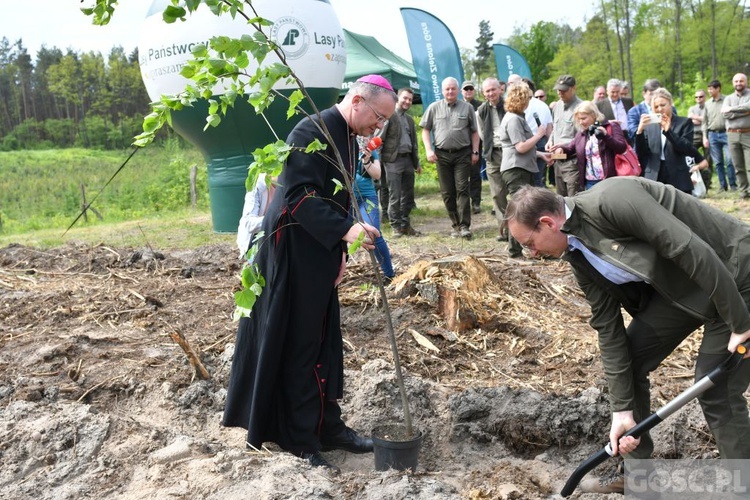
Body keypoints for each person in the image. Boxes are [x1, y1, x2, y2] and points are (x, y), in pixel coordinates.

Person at [505, 177, 750, 493]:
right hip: (686, 290)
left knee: (716, 387)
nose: (532, 254)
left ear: (547, 223)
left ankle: (743, 488)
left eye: (529, 243)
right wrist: (622, 411)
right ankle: (641, 482)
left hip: (736, 273)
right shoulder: (577, 254)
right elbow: (609, 330)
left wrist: (740, 324)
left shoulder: (614, 199)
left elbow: (690, 249)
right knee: (628, 366)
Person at [222, 75, 397, 472]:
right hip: (292, 254)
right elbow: (298, 197)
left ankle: (328, 426)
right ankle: (301, 439)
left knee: (322, 342)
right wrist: (346, 231)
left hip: (318, 252)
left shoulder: (346, 137)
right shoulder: (310, 130)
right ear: (357, 101)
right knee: (300, 345)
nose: (379, 126)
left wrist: (341, 251)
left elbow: (336, 197)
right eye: (378, 117)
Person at [421, 76, 480, 239]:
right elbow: (425, 130)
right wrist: (428, 150)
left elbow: (475, 132)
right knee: (447, 192)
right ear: (442, 90)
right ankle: (455, 225)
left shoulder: (467, 108)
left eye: (453, 88)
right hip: (442, 156)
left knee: (462, 189)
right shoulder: (434, 108)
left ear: (458, 90)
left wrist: (475, 151)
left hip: (462, 154)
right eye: (447, 89)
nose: (450, 91)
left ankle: (465, 226)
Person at [499, 81, 552, 258]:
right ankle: (514, 252)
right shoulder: (513, 119)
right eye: (528, 98)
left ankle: (530, 247)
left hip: (522, 167)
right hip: (516, 169)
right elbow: (520, 147)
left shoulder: (517, 117)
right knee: (519, 209)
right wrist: (539, 135)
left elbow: (524, 148)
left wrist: (541, 155)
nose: (530, 101)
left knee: (525, 208)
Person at [634, 87, 705, 194]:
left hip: (677, 175)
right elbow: (641, 152)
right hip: (654, 174)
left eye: (663, 105)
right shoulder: (649, 125)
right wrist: (639, 131)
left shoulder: (684, 122)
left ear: (671, 103)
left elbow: (687, 148)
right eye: (656, 106)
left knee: (679, 209)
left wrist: (668, 131)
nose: (659, 109)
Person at [552, 101, 627, 190]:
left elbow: (622, 148)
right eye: (579, 119)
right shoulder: (582, 134)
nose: (581, 122)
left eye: (584, 118)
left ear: (594, 115)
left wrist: (606, 136)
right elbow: (570, 148)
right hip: (590, 182)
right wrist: (561, 149)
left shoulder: (611, 126)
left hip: (609, 180)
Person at [380, 87, 421, 237]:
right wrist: (377, 162)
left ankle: (405, 225)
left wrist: (417, 163)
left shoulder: (409, 120)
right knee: (395, 195)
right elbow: (380, 139)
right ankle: (395, 226)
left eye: (410, 99)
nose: (407, 101)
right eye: (405, 98)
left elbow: (414, 143)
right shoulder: (389, 116)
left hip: (408, 161)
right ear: (398, 98)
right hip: (392, 161)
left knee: (408, 196)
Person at [354, 136, 395, 282]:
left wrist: (366, 160)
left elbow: (377, 174)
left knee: (373, 233)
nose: (363, 138)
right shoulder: (344, 147)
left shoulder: (371, 152)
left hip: (366, 198)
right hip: (345, 198)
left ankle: (389, 275)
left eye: (365, 137)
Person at [477, 77, 507, 240]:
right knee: (497, 193)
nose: (491, 93)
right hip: (492, 153)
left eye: (493, 89)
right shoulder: (481, 110)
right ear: (483, 93)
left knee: (516, 192)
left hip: (511, 151)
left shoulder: (510, 105)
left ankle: (520, 228)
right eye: (487, 91)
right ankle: (504, 230)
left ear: (500, 89)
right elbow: (481, 133)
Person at [546, 74, 583, 196]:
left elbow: (582, 137)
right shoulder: (557, 106)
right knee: (560, 198)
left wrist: (564, 145)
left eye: (564, 90)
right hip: (558, 160)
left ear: (574, 88)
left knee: (573, 198)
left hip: (573, 161)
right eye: (558, 90)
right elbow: (555, 129)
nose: (560, 93)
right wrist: (550, 141)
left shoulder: (581, 108)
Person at [703, 79, 737, 192]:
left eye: (711, 88)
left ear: (718, 89)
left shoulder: (727, 100)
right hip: (712, 134)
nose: (709, 91)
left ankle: (733, 184)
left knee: (730, 160)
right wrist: (705, 136)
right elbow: (704, 122)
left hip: (726, 133)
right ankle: (723, 186)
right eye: (708, 89)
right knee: (718, 162)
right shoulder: (707, 104)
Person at [236, 173, 276, 259]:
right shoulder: (258, 185)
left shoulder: (291, 185)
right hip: (255, 240)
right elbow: (249, 224)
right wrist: (277, 219)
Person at [723, 73, 750, 199]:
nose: (739, 83)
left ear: (746, 82)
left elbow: (748, 106)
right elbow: (725, 115)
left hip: (747, 133)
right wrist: (744, 112)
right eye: (736, 81)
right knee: (738, 165)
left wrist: (732, 109)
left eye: (741, 81)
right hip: (732, 135)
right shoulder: (728, 98)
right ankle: (743, 190)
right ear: (733, 83)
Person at [462, 80, 483, 213]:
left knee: (475, 174)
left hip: (476, 144)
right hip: (461, 145)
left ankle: (476, 202)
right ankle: (463, 203)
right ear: (462, 91)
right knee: (462, 177)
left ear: (474, 91)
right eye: (466, 89)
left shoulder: (481, 106)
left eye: (470, 89)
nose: (468, 91)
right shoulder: (457, 105)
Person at [688, 89, 713, 191]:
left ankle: (708, 180)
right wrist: (702, 119)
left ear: (705, 97)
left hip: (707, 134)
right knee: (690, 157)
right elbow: (690, 119)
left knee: (708, 158)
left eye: (701, 96)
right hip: (694, 135)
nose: (698, 99)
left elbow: (708, 120)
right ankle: (693, 177)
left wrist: (697, 118)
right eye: (696, 97)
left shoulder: (709, 106)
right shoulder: (692, 108)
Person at [627, 78, 662, 144]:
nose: (654, 97)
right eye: (651, 94)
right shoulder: (634, 111)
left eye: (657, 94)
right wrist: (642, 127)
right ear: (644, 94)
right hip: (645, 148)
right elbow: (632, 134)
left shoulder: (668, 108)